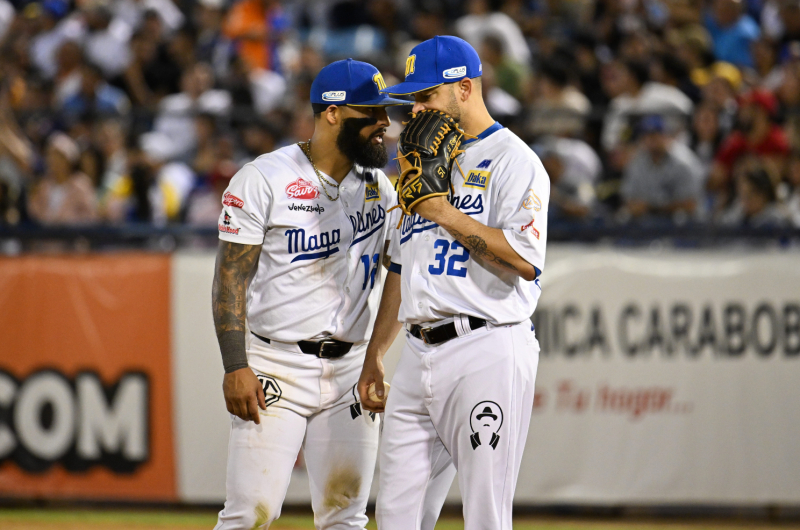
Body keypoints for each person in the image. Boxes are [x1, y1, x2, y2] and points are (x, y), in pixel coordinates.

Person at [358, 36, 549, 530]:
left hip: (485, 345)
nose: (416, 109)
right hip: (418, 353)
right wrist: (376, 353)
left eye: (426, 97)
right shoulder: (419, 162)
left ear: (464, 88)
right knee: (396, 516)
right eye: (413, 99)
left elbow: (525, 260)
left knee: (485, 514)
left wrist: (442, 211)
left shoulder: (515, 160)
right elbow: (401, 266)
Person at [210, 59, 408, 530]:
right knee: (250, 514)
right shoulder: (264, 178)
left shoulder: (377, 184)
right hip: (275, 363)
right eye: (373, 112)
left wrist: (376, 354)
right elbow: (230, 280)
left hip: (349, 370)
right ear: (333, 114)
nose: (385, 123)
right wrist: (236, 365)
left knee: (347, 515)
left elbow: (399, 271)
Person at [621, 115, 705, 221]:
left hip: (684, 227)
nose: (650, 140)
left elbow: (691, 205)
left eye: (655, 135)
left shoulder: (684, 162)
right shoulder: (637, 162)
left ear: (666, 136)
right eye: (646, 136)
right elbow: (628, 199)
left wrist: (652, 207)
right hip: (648, 225)